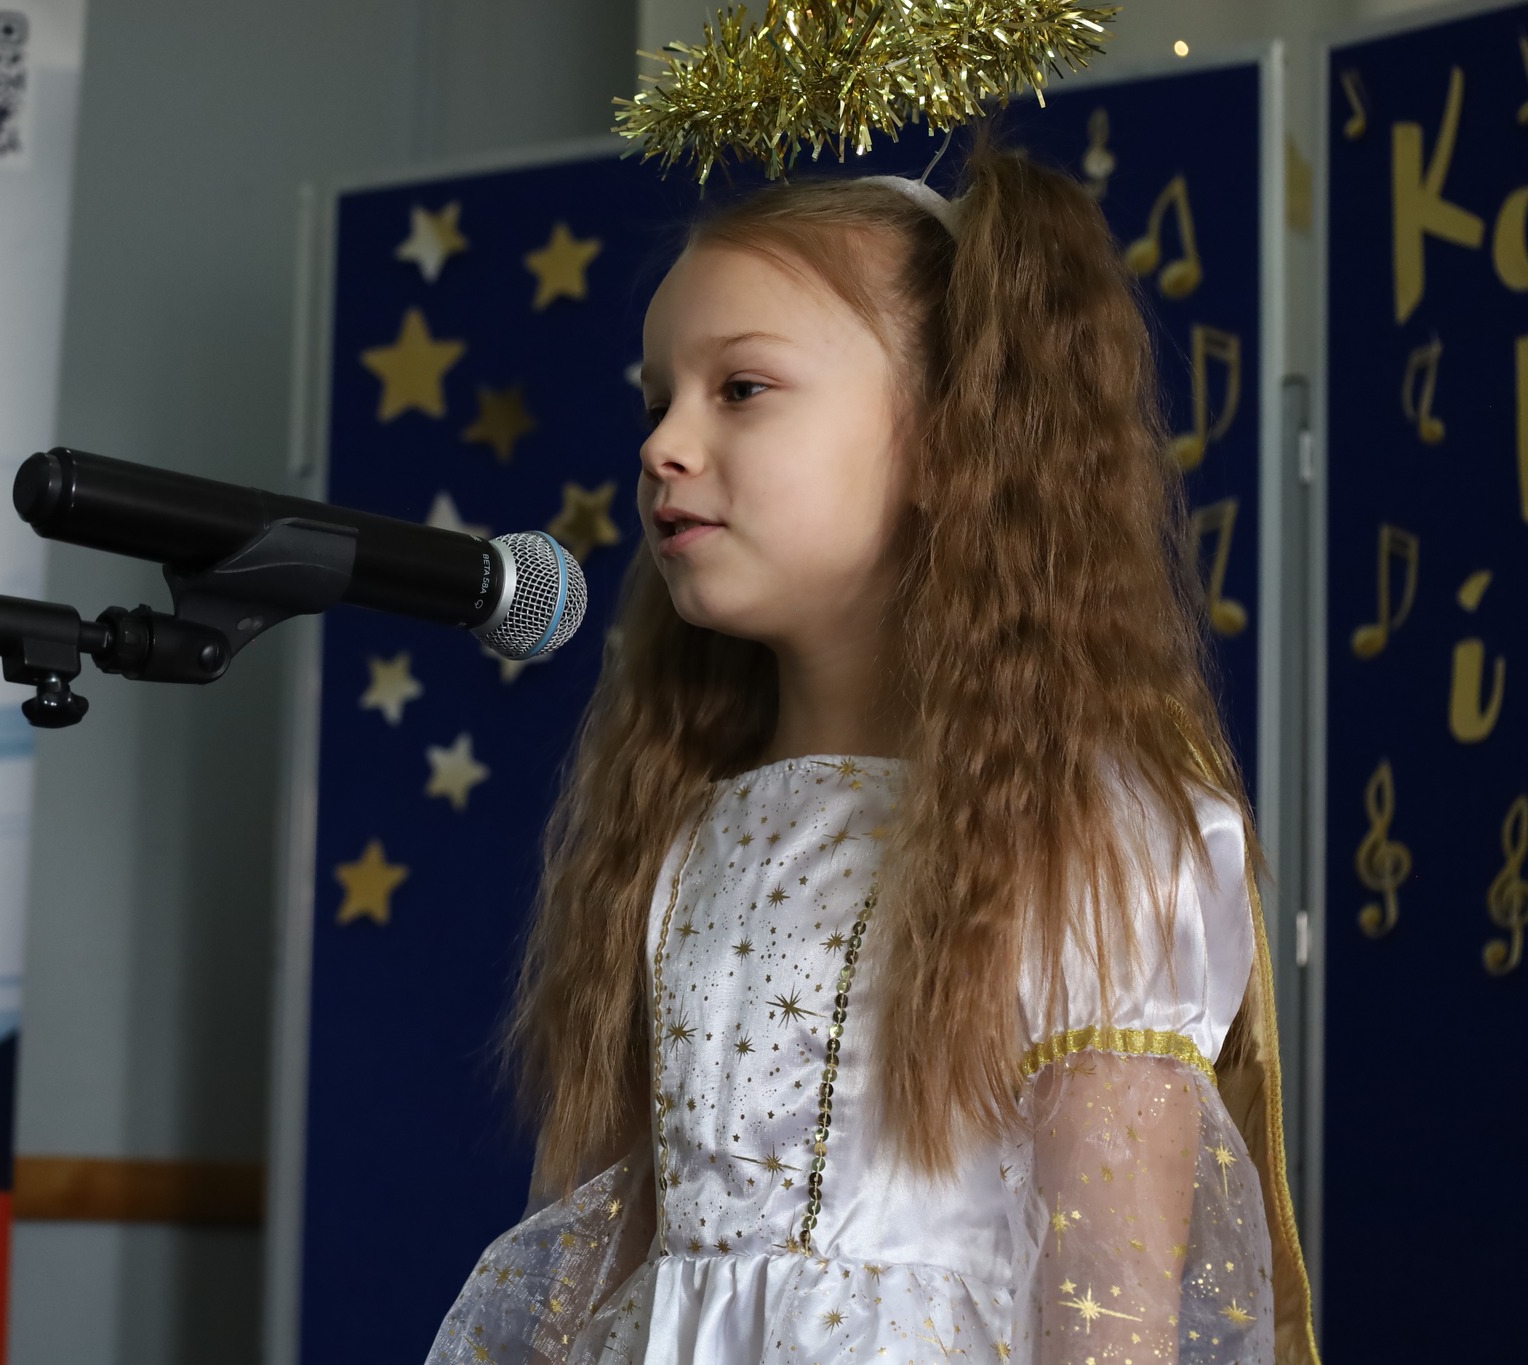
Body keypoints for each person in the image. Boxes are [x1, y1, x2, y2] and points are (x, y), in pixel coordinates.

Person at [426, 133, 1316, 1365]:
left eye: (740, 389)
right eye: (655, 400)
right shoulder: (683, 828)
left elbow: (1109, 1312)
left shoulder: (1081, 837)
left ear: (949, 438)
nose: (660, 445)